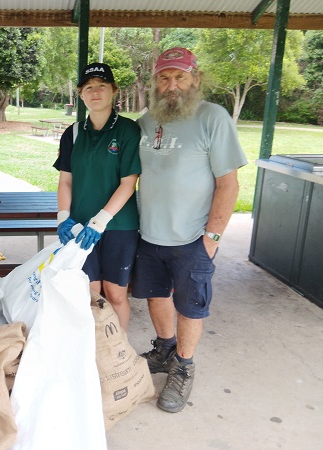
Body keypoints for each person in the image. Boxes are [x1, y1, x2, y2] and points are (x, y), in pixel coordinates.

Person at [132, 47, 248, 413]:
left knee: (191, 306)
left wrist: (212, 238)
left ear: (195, 79)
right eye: (164, 78)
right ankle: (164, 349)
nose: (172, 85)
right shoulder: (145, 121)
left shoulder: (213, 118)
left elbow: (229, 184)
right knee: (155, 296)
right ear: (155, 83)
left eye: (180, 77)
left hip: (192, 237)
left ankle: (183, 365)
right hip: (149, 234)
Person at [53, 62, 141, 330]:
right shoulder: (74, 132)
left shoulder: (128, 130)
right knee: (89, 294)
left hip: (118, 226)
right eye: (89, 87)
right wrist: (63, 217)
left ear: (113, 91)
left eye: (102, 86)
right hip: (80, 225)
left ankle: (118, 353)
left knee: (115, 294)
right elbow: (65, 180)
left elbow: (129, 182)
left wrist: (101, 221)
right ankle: (92, 353)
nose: (95, 92)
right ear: (80, 94)